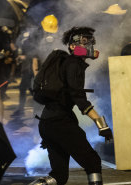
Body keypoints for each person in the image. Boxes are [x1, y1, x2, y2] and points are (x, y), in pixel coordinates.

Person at [30, 26, 112, 185]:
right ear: (72, 46)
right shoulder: (73, 63)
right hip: (60, 123)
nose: (87, 46)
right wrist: (102, 125)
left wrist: (50, 134)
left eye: (89, 42)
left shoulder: (67, 62)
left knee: (59, 176)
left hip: (48, 123)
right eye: (83, 42)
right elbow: (79, 98)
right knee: (93, 162)